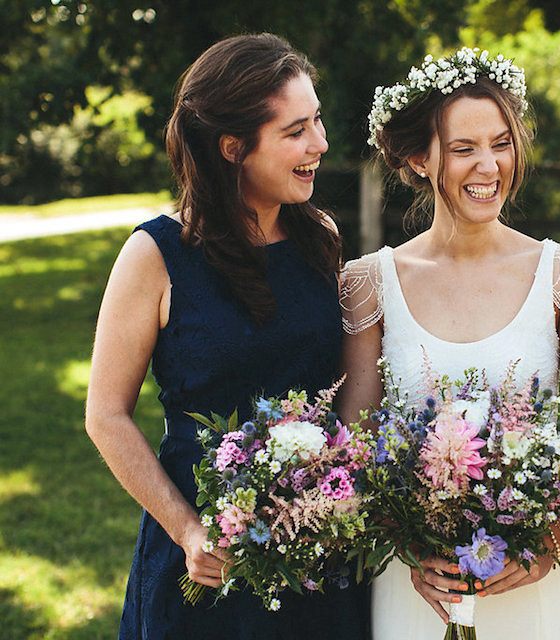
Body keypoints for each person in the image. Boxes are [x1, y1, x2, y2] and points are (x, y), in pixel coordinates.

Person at [85, 33, 370, 639]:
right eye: (296, 131)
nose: (320, 144)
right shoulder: (155, 254)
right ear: (233, 147)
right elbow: (106, 415)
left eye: (317, 121)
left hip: (318, 558)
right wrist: (189, 531)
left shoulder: (320, 236)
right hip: (204, 566)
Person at [337, 48, 560, 639]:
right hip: (420, 582)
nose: (489, 165)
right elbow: (356, 436)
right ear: (420, 159)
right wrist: (408, 548)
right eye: (464, 148)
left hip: (544, 582)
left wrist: (545, 546)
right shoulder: (370, 284)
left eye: (501, 143)